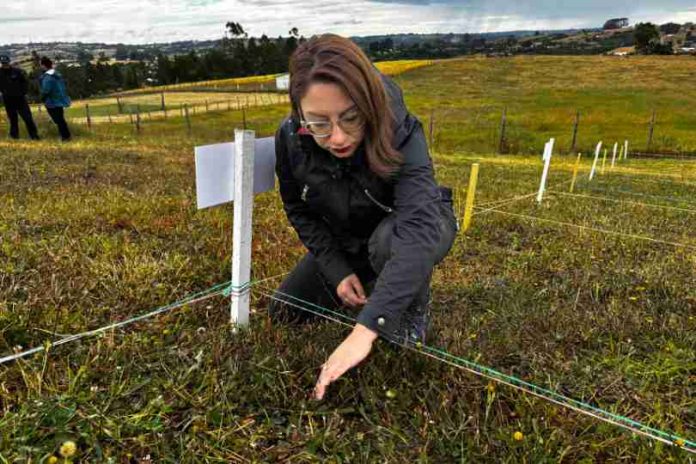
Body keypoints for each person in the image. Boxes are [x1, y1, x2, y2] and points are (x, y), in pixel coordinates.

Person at [270, 34, 458, 400]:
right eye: (319, 124)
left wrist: (367, 328)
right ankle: (375, 281)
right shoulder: (289, 138)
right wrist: (337, 270)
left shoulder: (399, 128)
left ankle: (409, 314)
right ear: (299, 114)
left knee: (391, 243)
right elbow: (298, 208)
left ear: (368, 105)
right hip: (352, 237)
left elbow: (419, 227)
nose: (338, 137)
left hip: (415, 225)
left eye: (351, 118)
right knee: (285, 312)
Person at [0, 54, 40, 140]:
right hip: (8, 100)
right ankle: (14, 137)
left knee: (28, 118)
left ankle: (34, 137)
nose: (4, 65)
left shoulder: (17, 71)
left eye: (6, 63)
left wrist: (23, 92)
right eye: (3, 63)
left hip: (20, 99)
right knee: (13, 120)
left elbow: (25, 83)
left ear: (9, 62)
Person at [38, 56, 72, 141]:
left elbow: (46, 90)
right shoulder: (57, 74)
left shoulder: (47, 77)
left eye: (41, 65)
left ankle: (65, 137)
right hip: (60, 100)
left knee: (58, 120)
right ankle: (66, 136)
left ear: (43, 65)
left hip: (51, 101)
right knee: (61, 119)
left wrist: (41, 98)